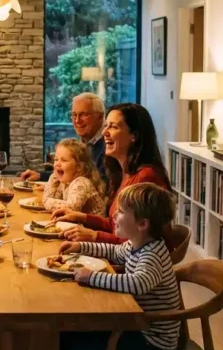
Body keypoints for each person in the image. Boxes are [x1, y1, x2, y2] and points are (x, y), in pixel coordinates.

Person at [60, 182, 181, 350]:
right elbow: (114, 251)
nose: (114, 215)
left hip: (153, 340)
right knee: (67, 335)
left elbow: (136, 283)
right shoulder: (137, 244)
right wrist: (81, 246)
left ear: (143, 224)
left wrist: (93, 277)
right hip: (138, 326)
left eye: (122, 212)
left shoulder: (152, 254)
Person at [51, 103, 171, 245]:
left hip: (131, 265)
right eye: (106, 125)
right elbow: (115, 226)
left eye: (113, 127)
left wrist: (94, 236)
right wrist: (81, 217)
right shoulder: (124, 173)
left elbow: (136, 244)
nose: (104, 132)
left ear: (134, 135)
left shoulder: (146, 177)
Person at [22, 92, 106, 183]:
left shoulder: (108, 146)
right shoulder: (85, 141)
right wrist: (39, 175)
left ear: (100, 117)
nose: (77, 120)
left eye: (84, 114)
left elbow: (97, 182)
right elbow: (71, 174)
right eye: (74, 115)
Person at [42, 139, 105, 214]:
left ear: (79, 167)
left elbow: (71, 209)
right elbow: (53, 197)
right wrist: (53, 179)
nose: (57, 164)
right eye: (56, 159)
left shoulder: (81, 182)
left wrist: (46, 201)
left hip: (93, 225)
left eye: (64, 160)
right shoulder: (66, 182)